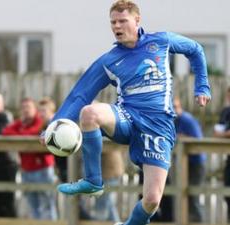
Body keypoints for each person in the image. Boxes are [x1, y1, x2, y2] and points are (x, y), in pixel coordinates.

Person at [40, 1, 211, 224]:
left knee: (151, 200)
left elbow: (195, 50)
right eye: (113, 22)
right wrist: (54, 124)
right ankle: (93, 181)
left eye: (122, 21)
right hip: (127, 117)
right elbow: (79, 95)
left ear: (137, 20)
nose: (117, 26)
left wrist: (202, 86)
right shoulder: (109, 60)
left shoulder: (161, 41)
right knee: (89, 113)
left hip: (158, 127)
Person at [3, 97, 57, 220]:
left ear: (35, 109)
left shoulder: (40, 121)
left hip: (43, 169)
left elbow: (33, 133)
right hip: (26, 170)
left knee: (48, 206)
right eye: (23, 108)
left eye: (29, 107)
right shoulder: (21, 124)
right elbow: (6, 131)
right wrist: (20, 126)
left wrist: (20, 133)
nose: (26, 110)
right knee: (34, 207)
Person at [173, 96, 206, 222]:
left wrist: (183, 137)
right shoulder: (174, 121)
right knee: (183, 197)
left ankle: (198, 222)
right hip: (184, 163)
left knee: (193, 197)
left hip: (196, 164)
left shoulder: (187, 120)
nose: (174, 109)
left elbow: (198, 141)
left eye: (176, 106)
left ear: (180, 106)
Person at [213, 86, 230, 221]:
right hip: (228, 159)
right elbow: (216, 133)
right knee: (227, 194)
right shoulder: (225, 111)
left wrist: (224, 134)